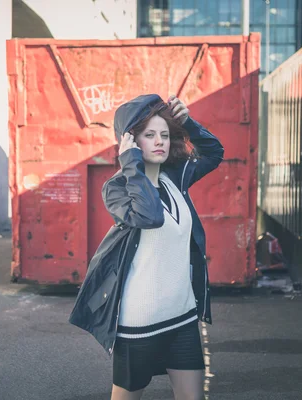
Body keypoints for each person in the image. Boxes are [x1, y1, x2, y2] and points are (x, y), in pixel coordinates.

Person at [69, 93, 224, 400]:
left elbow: (214, 153)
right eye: (149, 135)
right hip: (140, 323)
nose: (159, 142)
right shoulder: (116, 188)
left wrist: (188, 123)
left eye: (165, 134)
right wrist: (131, 164)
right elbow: (149, 216)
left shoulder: (175, 177)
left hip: (182, 316)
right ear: (131, 141)